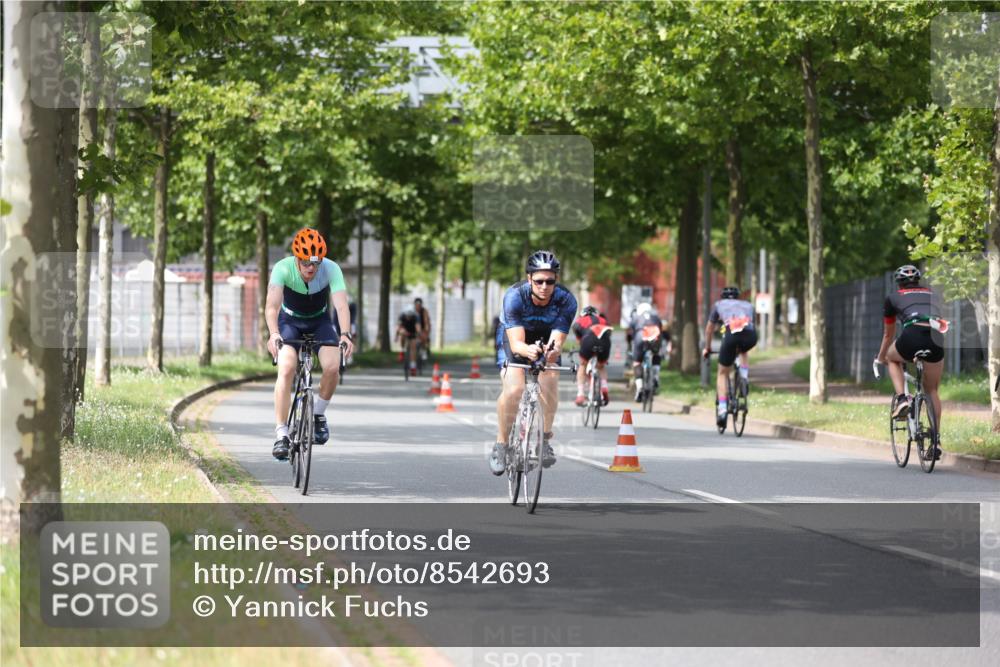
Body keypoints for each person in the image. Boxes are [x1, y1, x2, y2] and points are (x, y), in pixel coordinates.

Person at [266, 228, 354, 460]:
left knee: (333, 366)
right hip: (289, 322)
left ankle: (318, 415)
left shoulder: (332, 269)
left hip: (319, 321)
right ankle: (282, 434)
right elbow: (272, 307)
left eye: (316, 263)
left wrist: (345, 334)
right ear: (297, 258)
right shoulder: (282, 268)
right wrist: (273, 334)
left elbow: (341, 305)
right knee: (286, 367)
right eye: (305, 262)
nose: (311, 268)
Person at [490, 250, 578, 475]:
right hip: (515, 337)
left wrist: (552, 352)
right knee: (514, 388)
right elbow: (516, 344)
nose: (544, 286)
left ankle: (544, 440)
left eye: (550, 281)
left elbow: (557, 341)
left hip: (546, 337)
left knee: (550, 380)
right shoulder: (514, 296)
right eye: (539, 281)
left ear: (556, 280)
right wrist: (527, 351)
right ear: (529, 278)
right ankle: (501, 444)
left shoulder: (566, 300)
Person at [876, 264, 946, 460]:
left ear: (898, 283)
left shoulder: (893, 298)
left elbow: (888, 334)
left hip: (912, 334)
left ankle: (902, 400)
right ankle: (936, 441)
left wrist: (881, 357)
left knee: (891, 357)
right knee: (932, 390)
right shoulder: (933, 294)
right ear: (918, 280)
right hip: (935, 337)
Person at [702, 286, 757, 427]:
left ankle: (722, 409)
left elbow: (709, 329)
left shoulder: (718, 305)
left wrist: (707, 347)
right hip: (750, 335)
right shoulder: (748, 305)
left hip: (731, 333)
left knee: (722, 372)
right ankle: (744, 377)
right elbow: (753, 324)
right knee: (743, 350)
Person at [572, 305, 613, 406]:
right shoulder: (603, 320)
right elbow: (609, 332)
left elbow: (579, 339)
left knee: (583, 365)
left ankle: (580, 394)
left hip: (588, 340)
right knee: (601, 366)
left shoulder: (579, 321)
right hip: (605, 341)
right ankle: (604, 388)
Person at [629, 302, 670, 402]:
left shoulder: (636, 318)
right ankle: (655, 376)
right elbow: (661, 330)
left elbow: (631, 333)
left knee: (637, 362)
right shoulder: (656, 317)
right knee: (656, 354)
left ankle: (639, 387)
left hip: (641, 335)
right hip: (655, 335)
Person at [396, 306, 421, 375]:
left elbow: (418, 328)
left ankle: (413, 367)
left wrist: (418, 335)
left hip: (413, 331)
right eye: (407, 316)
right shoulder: (402, 316)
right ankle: (402, 351)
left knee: (413, 347)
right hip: (405, 330)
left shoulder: (416, 316)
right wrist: (397, 335)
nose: (409, 317)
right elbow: (398, 327)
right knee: (402, 333)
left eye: (410, 316)